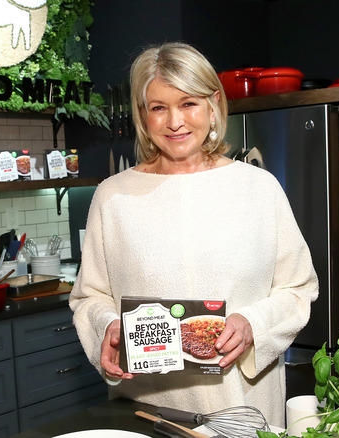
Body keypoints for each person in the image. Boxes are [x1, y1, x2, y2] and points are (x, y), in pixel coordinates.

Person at [68, 42, 319, 427]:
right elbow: (91, 295)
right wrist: (107, 325)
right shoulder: (114, 196)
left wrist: (254, 322)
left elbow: (298, 288)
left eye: (188, 103)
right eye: (158, 107)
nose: (174, 122)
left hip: (242, 409)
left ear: (213, 104)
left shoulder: (259, 188)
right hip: (146, 408)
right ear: (142, 115)